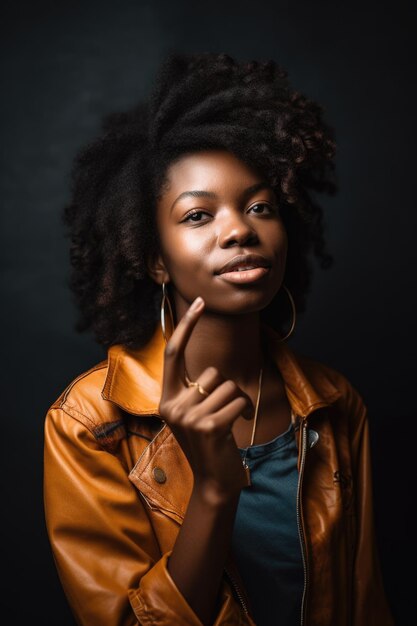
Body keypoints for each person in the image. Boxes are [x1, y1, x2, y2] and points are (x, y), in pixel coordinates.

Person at [43, 52, 395, 626]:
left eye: (260, 206)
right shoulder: (90, 423)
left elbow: (365, 603)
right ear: (154, 260)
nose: (239, 229)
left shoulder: (334, 404)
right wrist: (213, 486)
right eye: (197, 216)